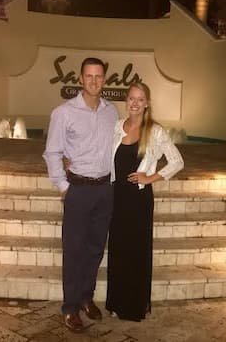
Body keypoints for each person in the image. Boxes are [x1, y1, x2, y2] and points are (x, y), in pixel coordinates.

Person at [43, 57, 118, 333]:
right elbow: (52, 152)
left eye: (99, 76)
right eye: (89, 76)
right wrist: (63, 187)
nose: (94, 81)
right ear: (81, 79)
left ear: (105, 80)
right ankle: (70, 307)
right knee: (74, 251)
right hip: (78, 190)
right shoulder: (64, 113)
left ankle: (87, 297)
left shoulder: (111, 112)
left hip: (104, 190)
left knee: (96, 249)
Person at [106, 82, 184, 322]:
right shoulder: (117, 127)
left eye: (140, 99)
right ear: (126, 101)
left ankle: (134, 305)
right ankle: (116, 302)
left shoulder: (155, 131)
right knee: (118, 250)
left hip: (139, 199)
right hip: (117, 197)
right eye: (131, 98)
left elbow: (177, 162)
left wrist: (149, 177)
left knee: (136, 252)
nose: (135, 103)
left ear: (147, 103)